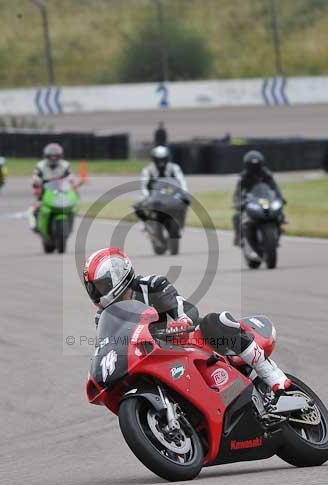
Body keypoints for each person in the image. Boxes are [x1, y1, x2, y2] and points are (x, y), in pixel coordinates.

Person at [82, 247, 291, 393]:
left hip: (187, 338)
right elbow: (109, 345)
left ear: (116, 278)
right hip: (155, 356)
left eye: (100, 286)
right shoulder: (103, 316)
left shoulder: (151, 284)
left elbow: (180, 306)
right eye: (93, 288)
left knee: (214, 321)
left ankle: (272, 375)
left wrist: (180, 321)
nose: (96, 292)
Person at [232, 150, 285, 246]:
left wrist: (280, 198)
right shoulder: (244, 177)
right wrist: (238, 203)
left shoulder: (267, 175)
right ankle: (239, 237)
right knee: (237, 216)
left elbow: (275, 188)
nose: (254, 167)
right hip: (251, 201)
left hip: (265, 200)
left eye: (256, 165)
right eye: (252, 165)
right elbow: (237, 193)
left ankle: (278, 230)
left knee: (279, 213)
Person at [133, 145, 189, 223]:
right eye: (158, 159)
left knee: (186, 201)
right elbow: (143, 185)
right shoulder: (148, 170)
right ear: (154, 159)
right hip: (153, 194)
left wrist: (184, 192)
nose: (161, 162)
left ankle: (181, 221)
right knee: (137, 205)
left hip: (171, 193)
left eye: (163, 159)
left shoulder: (174, 168)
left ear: (167, 158)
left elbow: (182, 181)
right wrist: (146, 196)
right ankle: (144, 223)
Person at [31, 143, 77, 231]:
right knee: (37, 206)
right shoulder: (40, 165)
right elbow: (35, 177)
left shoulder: (65, 165)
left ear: (60, 156)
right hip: (45, 189)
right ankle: (36, 224)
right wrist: (37, 184)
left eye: (55, 156)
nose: (53, 158)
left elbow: (70, 177)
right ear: (46, 156)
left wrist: (72, 185)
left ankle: (69, 224)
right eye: (51, 156)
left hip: (61, 188)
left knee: (73, 205)